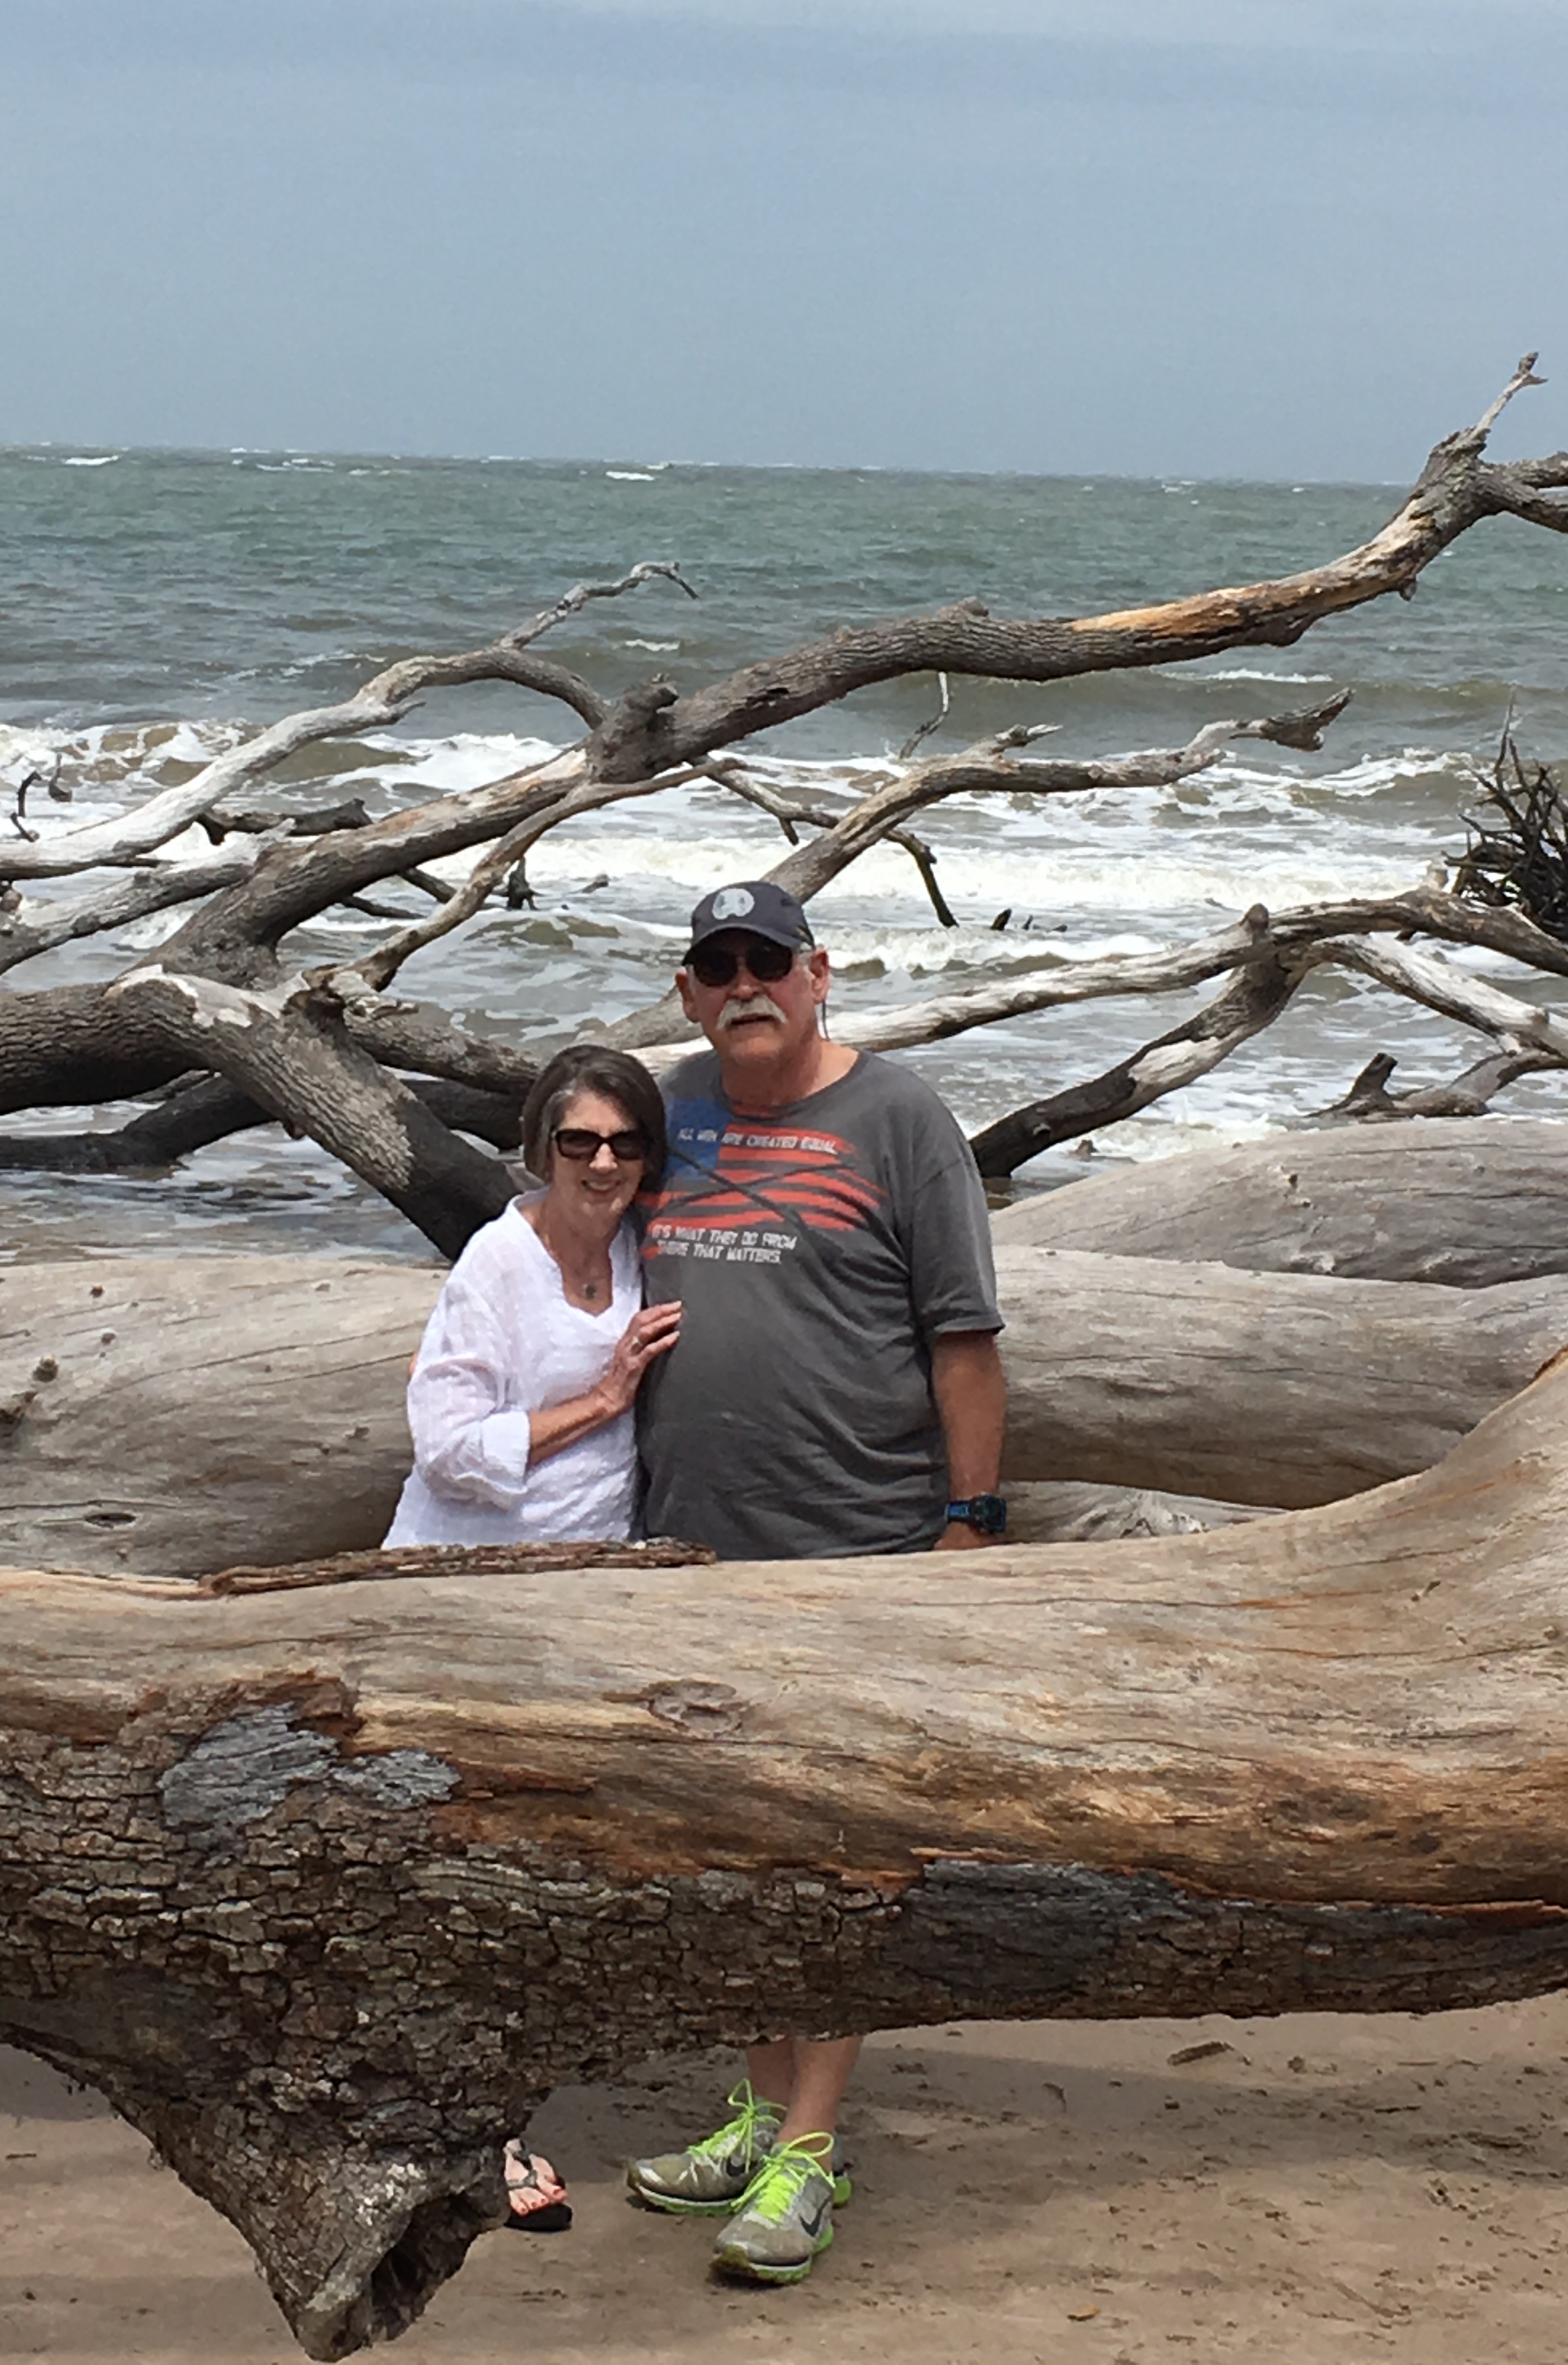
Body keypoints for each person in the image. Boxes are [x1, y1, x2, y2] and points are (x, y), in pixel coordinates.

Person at [623, 878, 1008, 2288]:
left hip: (859, 1545)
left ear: (818, 973)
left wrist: (970, 1522)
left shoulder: (899, 1118)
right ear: (688, 992)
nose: (746, 986)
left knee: (836, 1858)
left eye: (767, 963)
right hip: (683, 1543)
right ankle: (758, 2109)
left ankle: (813, 2149)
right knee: (722, 1849)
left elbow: (964, 1337)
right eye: (718, 966)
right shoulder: (666, 1109)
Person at [382, 1041, 683, 2234]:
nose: (602, 1164)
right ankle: (482, 2129)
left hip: (585, 1598)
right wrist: (599, 1402)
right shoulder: (498, 1260)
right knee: (465, 1870)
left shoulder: (637, 1245)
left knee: (544, 1865)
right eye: (578, 1143)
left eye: (626, 1143)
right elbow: (447, 1445)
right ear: (539, 1149)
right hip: (465, 1600)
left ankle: (488, 2100)